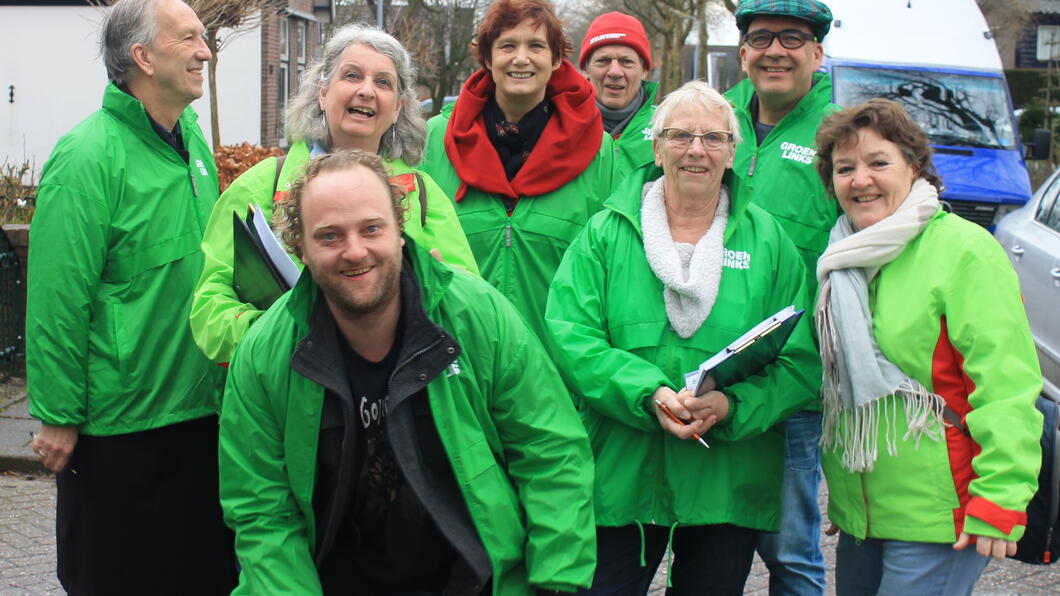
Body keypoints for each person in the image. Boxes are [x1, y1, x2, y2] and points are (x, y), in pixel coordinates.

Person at [218, 149, 596, 595]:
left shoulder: (480, 318)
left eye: (371, 228)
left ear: (400, 230)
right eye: (329, 236)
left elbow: (551, 452)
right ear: (301, 247)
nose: (354, 250)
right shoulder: (265, 355)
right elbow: (261, 510)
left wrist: (555, 585)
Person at [544, 80, 820, 595]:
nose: (697, 149)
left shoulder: (770, 242)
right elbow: (569, 333)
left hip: (725, 476)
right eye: (680, 135)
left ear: (733, 152)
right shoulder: (606, 233)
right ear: (656, 145)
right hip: (621, 472)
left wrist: (732, 405)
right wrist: (646, 391)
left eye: (714, 138)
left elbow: (801, 360)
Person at [26, 0, 236, 593]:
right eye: (189, 39)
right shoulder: (87, 156)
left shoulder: (192, 142)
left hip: (201, 415)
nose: (206, 51)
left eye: (204, 37)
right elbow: (56, 298)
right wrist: (59, 415)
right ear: (142, 57)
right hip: (121, 432)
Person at [813, 99, 1043, 595]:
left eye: (879, 163)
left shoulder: (964, 251)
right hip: (862, 518)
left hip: (943, 514)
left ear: (914, 167)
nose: (860, 180)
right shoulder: (841, 259)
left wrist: (1001, 496)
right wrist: (854, 502)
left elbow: (1006, 385)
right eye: (844, 168)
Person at [191, 23, 477, 365]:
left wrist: (431, 300)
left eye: (383, 82)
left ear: (398, 108)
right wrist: (285, 338)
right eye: (352, 76)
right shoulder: (260, 186)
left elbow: (469, 304)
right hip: (288, 396)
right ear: (322, 92)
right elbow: (210, 306)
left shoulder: (424, 196)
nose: (367, 91)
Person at [724, 1, 838, 591]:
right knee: (709, 536)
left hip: (792, 379)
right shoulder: (720, 125)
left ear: (817, 54)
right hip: (713, 371)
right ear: (743, 54)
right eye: (761, 37)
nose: (775, 50)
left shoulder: (840, 134)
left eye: (793, 38)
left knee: (790, 549)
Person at [421, 0, 614, 341]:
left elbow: (613, 272)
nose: (521, 58)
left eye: (536, 46)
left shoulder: (599, 150)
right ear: (487, 58)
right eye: (507, 45)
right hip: (457, 366)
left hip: (558, 374)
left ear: (556, 60)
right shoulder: (433, 140)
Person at [579, 11, 656, 176]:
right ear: (585, 69)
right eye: (603, 61)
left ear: (644, 70)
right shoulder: (557, 127)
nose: (615, 72)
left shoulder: (667, 130)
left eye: (626, 61)